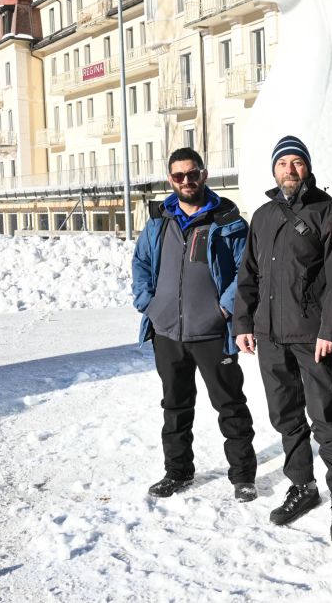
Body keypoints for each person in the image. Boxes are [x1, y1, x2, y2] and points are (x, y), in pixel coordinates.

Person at [233, 136, 332, 542]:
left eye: (297, 162)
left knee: (326, 419)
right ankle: (302, 486)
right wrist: (243, 323)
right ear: (274, 170)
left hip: (311, 338)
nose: (290, 169)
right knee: (285, 415)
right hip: (270, 336)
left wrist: (329, 330)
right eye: (283, 163)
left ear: (308, 167)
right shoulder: (264, 216)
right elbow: (248, 276)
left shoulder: (329, 214)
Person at [132, 148, 257, 500]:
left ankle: (243, 476)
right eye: (178, 176)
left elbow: (247, 269)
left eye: (192, 174)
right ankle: (177, 472)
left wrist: (224, 309)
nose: (186, 181)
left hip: (213, 333)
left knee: (230, 405)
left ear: (203, 174)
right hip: (167, 332)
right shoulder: (159, 221)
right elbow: (141, 263)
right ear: (170, 179)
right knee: (175, 405)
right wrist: (148, 304)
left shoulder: (227, 220)